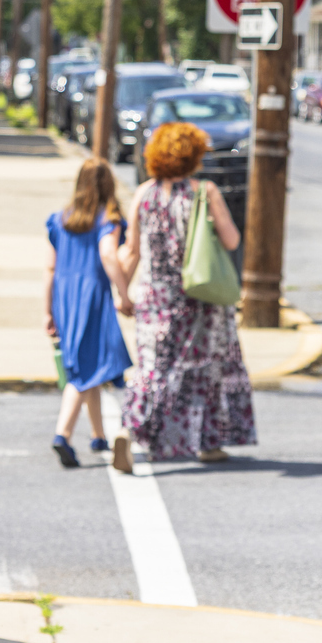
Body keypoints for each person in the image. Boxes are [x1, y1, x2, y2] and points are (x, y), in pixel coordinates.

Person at [118, 121, 255, 463]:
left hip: (154, 298)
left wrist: (122, 293)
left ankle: (129, 430)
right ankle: (208, 442)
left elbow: (131, 250)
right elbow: (232, 240)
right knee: (206, 370)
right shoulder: (204, 192)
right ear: (192, 157)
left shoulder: (144, 194)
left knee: (152, 368)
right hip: (199, 299)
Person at [44, 157, 134, 469]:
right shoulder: (108, 219)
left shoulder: (60, 219)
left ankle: (98, 436)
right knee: (82, 371)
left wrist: (48, 311)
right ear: (109, 184)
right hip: (92, 296)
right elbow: (108, 254)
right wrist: (124, 293)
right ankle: (63, 435)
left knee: (88, 360)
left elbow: (51, 268)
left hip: (64, 298)